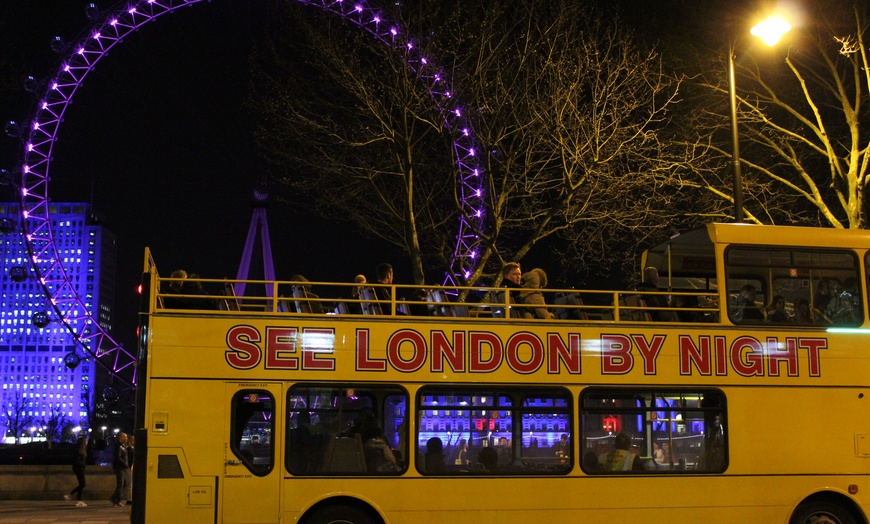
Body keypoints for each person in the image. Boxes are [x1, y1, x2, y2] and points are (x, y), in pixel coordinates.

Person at [64, 436, 88, 507]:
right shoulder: (79, 451)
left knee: (82, 484)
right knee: (83, 484)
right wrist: (83, 465)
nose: (87, 442)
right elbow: (77, 460)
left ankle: (73, 497)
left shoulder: (80, 450)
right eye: (86, 441)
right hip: (79, 468)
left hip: (79, 468)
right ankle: (73, 497)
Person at [110, 432, 130, 507]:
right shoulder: (118, 446)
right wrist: (124, 464)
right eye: (124, 437)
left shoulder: (123, 446)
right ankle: (116, 501)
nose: (126, 438)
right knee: (120, 484)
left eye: (126, 437)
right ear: (120, 438)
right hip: (119, 467)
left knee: (124, 483)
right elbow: (118, 457)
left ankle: (114, 498)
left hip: (123, 467)